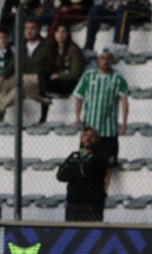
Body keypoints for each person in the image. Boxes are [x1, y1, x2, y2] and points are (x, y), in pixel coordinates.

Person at [73, 48, 128, 190]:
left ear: (112, 60)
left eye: (108, 58)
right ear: (98, 60)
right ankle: (85, 191)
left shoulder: (118, 78)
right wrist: (77, 117)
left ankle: (102, 193)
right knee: (85, 161)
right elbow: (79, 98)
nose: (105, 61)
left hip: (109, 129)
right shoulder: (88, 76)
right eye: (102, 58)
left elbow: (124, 100)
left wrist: (124, 121)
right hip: (90, 128)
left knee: (108, 165)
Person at [0, 19, 49, 123]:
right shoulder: (22, 45)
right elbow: (12, 64)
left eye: (32, 28)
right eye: (26, 28)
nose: (29, 31)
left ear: (38, 29)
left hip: (37, 78)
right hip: (22, 77)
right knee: (1, 86)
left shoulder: (47, 45)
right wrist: (1, 79)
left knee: (17, 89)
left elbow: (48, 65)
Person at [56, 126, 108, 221]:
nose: (88, 138)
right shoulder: (74, 155)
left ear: (97, 139)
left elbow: (85, 171)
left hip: (92, 204)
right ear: (81, 138)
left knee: (92, 233)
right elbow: (60, 175)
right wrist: (78, 169)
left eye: (92, 136)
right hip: (73, 203)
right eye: (85, 135)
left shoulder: (100, 157)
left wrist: (72, 168)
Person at [41, 23, 85, 99]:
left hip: (69, 81)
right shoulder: (52, 48)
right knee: (42, 74)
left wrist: (59, 75)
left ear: (68, 34)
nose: (60, 34)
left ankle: (47, 92)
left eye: (63, 32)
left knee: (51, 83)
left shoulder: (73, 50)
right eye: (57, 31)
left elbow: (75, 73)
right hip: (56, 77)